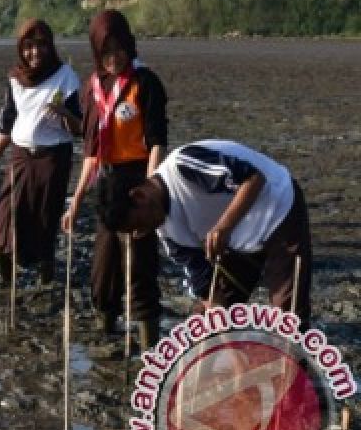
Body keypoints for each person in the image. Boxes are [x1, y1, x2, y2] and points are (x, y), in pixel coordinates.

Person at [95, 140, 312, 327]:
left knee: (288, 319)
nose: (140, 234)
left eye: (137, 225)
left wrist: (223, 227)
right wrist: (221, 330)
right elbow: (206, 289)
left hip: (278, 211)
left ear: (140, 196)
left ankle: (296, 371)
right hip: (237, 239)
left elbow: (254, 179)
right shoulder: (168, 233)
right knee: (204, 323)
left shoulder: (183, 166)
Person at [62, 9, 167, 347]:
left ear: (130, 46)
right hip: (107, 181)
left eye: (119, 50)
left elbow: (156, 142)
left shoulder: (146, 82)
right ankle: (106, 324)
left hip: (139, 177)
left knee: (140, 262)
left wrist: (151, 190)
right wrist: (76, 202)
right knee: (105, 262)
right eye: (105, 52)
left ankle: (149, 338)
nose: (113, 59)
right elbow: (91, 152)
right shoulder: (92, 89)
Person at [0, 19, 81, 287]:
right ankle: (6, 284)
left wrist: (64, 114)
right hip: (20, 156)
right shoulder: (16, 79)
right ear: (20, 49)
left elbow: (80, 129)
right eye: (28, 46)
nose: (34, 52)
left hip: (53, 158)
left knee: (44, 218)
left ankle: (45, 279)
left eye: (40, 46)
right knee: (4, 216)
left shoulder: (66, 77)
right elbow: (5, 129)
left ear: (50, 46)